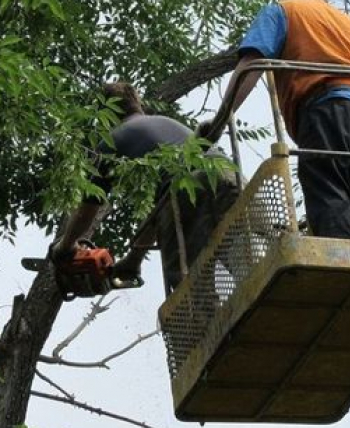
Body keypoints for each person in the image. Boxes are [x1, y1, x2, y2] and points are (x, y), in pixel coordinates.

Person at [216, 0, 350, 240]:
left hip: (329, 109)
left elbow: (251, 63)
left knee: (327, 186)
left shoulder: (283, 10)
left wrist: (221, 119)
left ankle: (339, 269)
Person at [50, 82, 239, 296]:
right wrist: (134, 258)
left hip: (186, 194)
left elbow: (87, 211)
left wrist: (65, 246)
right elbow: (159, 212)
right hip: (230, 177)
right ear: (138, 105)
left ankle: (208, 327)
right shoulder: (168, 124)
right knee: (249, 262)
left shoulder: (109, 143)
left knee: (192, 293)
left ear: (106, 114)